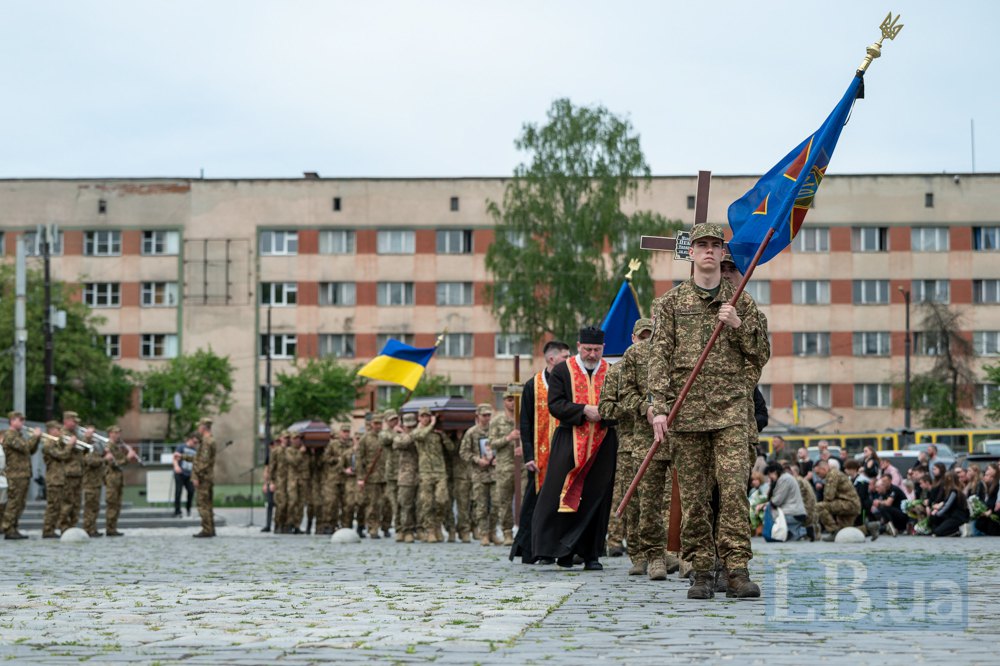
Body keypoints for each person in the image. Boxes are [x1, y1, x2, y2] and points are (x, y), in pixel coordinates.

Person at [647, 223, 770, 599]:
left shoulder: (742, 302)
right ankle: (701, 569)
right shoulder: (670, 304)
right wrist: (659, 408)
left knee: (733, 490)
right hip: (687, 415)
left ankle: (736, 569)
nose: (708, 252)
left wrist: (737, 326)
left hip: (731, 412)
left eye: (715, 246)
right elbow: (659, 357)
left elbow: (761, 353)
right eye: (701, 245)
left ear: (721, 253)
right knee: (696, 497)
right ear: (691, 252)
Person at [532, 326, 619, 571]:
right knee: (562, 493)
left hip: (603, 442)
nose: (592, 354)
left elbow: (622, 405)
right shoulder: (562, 370)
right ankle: (562, 551)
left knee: (597, 496)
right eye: (588, 349)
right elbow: (555, 405)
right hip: (568, 440)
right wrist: (583, 411)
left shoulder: (612, 372)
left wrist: (604, 414)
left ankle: (591, 553)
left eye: (597, 350)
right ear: (579, 346)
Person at [510, 341, 570, 564]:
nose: (569, 360)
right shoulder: (532, 386)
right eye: (565, 356)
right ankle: (539, 550)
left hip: (566, 454)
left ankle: (565, 550)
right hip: (540, 458)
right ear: (551, 359)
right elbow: (525, 425)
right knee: (537, 504)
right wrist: (528, 457)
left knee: (566, 503)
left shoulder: (571, 382)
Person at [413, 408, 453, 543]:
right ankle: (429, 530)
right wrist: (431, 425)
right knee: (427, 502)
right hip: (425, 472)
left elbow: (451, 449)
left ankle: (437, 525)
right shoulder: (417, 431)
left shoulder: (437, 433)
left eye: (428, 416)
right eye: (422, 416)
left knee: (442, 500)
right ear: (419, 418)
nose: (425, 418)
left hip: (440, 471)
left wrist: (443, 435)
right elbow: (420, 436)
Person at [461, 404, 497, 546]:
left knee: (496, 504)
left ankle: (493, 532)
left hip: (494, 473)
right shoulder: (471, 432)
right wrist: (477, 459)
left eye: (488, 415)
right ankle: (483, 534)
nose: (487, 418)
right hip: (479, 474)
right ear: (478, 416)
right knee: (481, 505)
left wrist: (498, 458)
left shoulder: (495, 431)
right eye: (484, 415)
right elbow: (463, 452)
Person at [1, 412, 40, 539]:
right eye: (20, 420)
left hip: (23, 474)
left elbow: (31, 450)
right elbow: (25, 447)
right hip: (14, 474)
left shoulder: (19, 436)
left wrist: (37, 439)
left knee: (20, 504)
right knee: (13, 503)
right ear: (12, 421)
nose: (23, 422)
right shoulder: (9, 435)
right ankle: (7, 528)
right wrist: (35, 437)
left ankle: (14, 527)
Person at [489, 392, 520, 547]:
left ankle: (524, 533)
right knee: (505, 501)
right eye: (509, 400)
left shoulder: (524, 418)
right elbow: (491, 443)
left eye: (515, 400)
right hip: (505, 466)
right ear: (504, 401)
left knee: (526, 501)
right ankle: (507, 532)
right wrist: (508, 438)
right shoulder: (497, 421)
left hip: (522, 467)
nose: (513, 403)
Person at [815, 459, 867, 541]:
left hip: (848, 504)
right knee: (844, 532)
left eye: (818, 473)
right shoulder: (835, 473)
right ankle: (870, 527)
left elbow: (829, 497)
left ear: (824, 469)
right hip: (852, 504)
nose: (818, 476)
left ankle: (833, 531)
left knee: (819, 507)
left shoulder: (832, 475)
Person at [102, 425, 138, 537]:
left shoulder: (117, 446)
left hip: (118, 478)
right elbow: (115, 463)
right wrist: (128, 457)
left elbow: (121, 462)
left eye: (119, 433)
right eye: (116, 433)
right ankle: (109, 528)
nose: (118, 435)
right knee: (112, 504)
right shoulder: (108, 446)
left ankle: (113, 528)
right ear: (110, 434)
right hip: (112, 478)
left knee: (117, 504)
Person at [41, 421, 73, 537]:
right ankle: (48, 530)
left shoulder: (56, 443)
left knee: (58, 505)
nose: (60, 432)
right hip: (53, 479)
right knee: (53, 506)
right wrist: (70, 445)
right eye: (58, 430)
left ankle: (52, 529)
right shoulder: (48, 444)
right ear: (51, 430)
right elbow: (62, 455)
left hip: (59, 478)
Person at [393, 412, 420, 543]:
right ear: (403, 426)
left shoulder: (421, 434)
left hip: (422, 472)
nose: (411, 429)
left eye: (413, 426)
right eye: (408, 427)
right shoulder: (399, 437)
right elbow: (401, 443)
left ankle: (419, 529)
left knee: (421, 504)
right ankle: (405, 530)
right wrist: (408, 433)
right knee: (405, 504)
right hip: (406, 475)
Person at [359, 414, 387, 539]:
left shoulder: (385, 437)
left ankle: (385, 526)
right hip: (372, 476)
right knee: (373, 504)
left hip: (386, 475)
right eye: (375, 424)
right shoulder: (365, 439)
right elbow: (360, 459)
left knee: (386, 503)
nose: (378, 426)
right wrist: (360, 477)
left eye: (380, 424)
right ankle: (372, 528)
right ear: (371, 424)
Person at [764, 462, 807, 540]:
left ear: (774, 472)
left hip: (793, 513)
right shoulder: (785, 478)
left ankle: (804, 531)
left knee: (771, 514)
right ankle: (799, 532)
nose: (770, 478)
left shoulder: (784, 479)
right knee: (792, 537)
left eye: (770, 475)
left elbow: (776, 501)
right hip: (795, 512)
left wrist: (766, 505)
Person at [60, 411, 86, 532]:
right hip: (67, 473)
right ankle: (64, 526)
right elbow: (63, 455)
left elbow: (83, 450)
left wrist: (87, 439)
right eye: (73, 421)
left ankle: (73, 525)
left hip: (78, 473)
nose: (76, 424)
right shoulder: (62, 434)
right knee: (67, 502)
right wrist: (71, 444)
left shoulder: (76, 434)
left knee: (76, 503)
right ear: (66, 421)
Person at [192, 417, 217, 538]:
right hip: (208, 476)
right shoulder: (210, 440)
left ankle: (207, 529)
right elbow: (200, 459)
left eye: (199, 426)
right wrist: (184, 457)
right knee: (208, 504)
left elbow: (204, 462)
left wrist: (195, 475)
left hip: (204, 477)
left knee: (203, 504)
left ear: (203, 427)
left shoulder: (207, 442)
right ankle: (211, 528)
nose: (198, 428)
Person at [80, 425, 105, 537]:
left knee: (95, 506)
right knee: (89, 506)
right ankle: (87, 528)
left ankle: (93, 528)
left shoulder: (95, 446)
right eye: (91, 433)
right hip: (89, 481)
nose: (94, 435)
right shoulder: (85, 446)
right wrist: (103, 459)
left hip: (97, 480)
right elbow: (90, 461)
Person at [928, 471, 969, 537]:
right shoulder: (950, 491)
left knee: (938, 531)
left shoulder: (954, 491)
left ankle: (957, 529)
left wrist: (938, 514)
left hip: (957, 517)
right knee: (933, 521)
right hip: (950, 515)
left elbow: (947, 505)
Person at [381, 410, 402, 538]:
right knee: (395, 503)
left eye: (395, 419)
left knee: (406, 502)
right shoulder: (385, 433)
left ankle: (408, 527)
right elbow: (386, 439)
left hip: (406, 472)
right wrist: (397, 432)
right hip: (392, 473)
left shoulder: (403, 431)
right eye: (391, 420)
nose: (394, 422)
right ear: (386, 422)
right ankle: (399, 528)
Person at [173, 434, 197, 518]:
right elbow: (175, 457)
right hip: (180, 473)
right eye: (194, 442)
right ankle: (177, 511)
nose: (195, 444)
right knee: (178, 492)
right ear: (190, 440)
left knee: (191, 491)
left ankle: (188, 509)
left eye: (196, 442)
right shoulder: (181, 447)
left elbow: (195, 464)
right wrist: (176, 466)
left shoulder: (195, 450)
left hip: (189, 474)